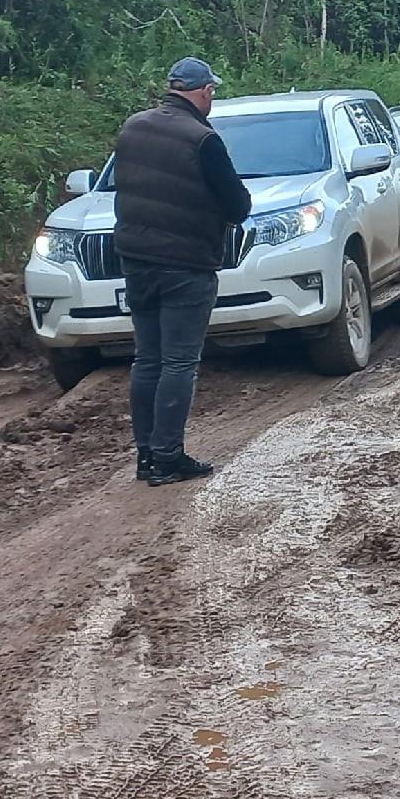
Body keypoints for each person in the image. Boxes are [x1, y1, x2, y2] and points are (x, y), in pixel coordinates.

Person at [113, 58, 252, 487]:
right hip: (186, 265)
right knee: (178, 362)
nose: (212, 98)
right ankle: (168, 457)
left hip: (136, 261)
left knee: (147, 359)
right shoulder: (203, 140)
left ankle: (145, 458)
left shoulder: (132, 128)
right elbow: (238, 204)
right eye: (212, 91)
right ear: (203, 91)